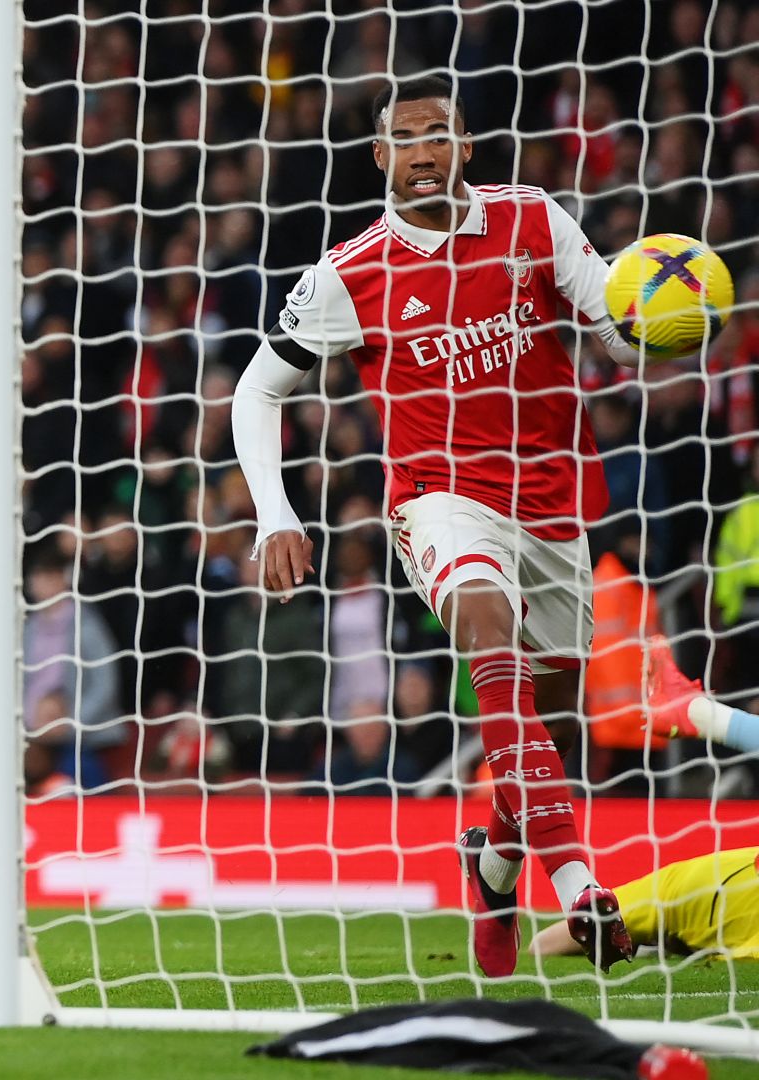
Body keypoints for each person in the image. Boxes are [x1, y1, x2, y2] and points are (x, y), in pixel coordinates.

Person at [231, 76, 653, 978]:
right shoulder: (350, 272)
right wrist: (275, 513)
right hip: (437, 500)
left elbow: (617, 334)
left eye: (440, 134)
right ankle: (580, 886)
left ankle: (494, 865)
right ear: (380, 158)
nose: (425, 150)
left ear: (467, 147)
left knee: (552, 729)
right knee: (488, 642)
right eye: (406, 138)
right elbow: (256, 388)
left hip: (552, 501)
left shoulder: (534, 221)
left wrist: (659, 317)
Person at [527, 843, 759, 961]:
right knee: (550, 943)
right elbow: (541, 945)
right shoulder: (672, 891)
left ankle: (653, 945)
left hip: (717, 877)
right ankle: (651, 944)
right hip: (686, 891)